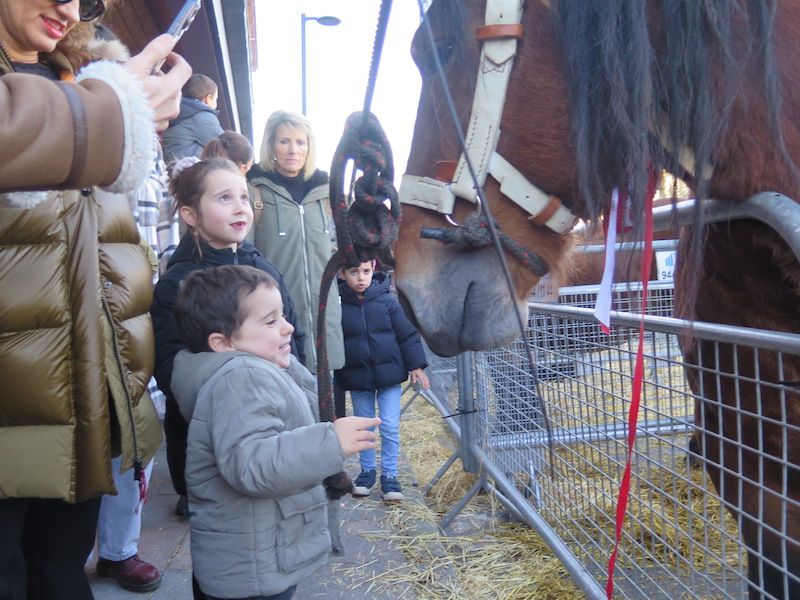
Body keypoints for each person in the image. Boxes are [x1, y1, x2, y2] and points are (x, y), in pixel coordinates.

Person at [0, 3, 175, 598]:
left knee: (61, 569)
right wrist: (113, 112)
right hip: (11, 390)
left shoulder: (82, 74)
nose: (69, 9)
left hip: (83, 389)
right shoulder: (103, 93)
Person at [170, 264, 380, 600]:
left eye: (282, 315)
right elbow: (251, 464)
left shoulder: (259, 367)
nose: (288, 327)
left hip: (256, 557)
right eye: (270, 321)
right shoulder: (240, 378)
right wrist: (330, 443)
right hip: (251, 572)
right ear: (223, 342)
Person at [151, 157, 306, 526]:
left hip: (278, 424)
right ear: (190, 215)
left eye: (243, 197)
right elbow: (173, 369)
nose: (240, 207)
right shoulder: (179, 284)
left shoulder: (264, 269)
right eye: (224, 198)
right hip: (214, 443)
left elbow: (294, 336)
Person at [0, 32, 190, 191]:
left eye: (87, 5)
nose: (73, 13)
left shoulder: (72, 70)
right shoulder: (85, 80)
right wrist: (118, 108)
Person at [247, 110, 344, 372]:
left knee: (327, 391)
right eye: (284, 141)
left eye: (300, 142)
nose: (293, 150)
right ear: (271, 145)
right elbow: (245, 257)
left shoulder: (327, 192)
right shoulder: (254, 190)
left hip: (325, 318)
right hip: (276, 316)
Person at [335, 260, 430, 502]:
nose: (361, 278)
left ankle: (390, 476)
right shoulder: (337, 305)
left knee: (389, 425)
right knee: (364, 427)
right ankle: (367, 472)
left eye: (366, 271)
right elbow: (332, 339)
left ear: (373, 269)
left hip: (389, 377)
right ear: (342, 274)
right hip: (358, 378)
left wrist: (416, 365)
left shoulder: (388, 302)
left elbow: (407, 335)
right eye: (354, 272)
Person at [161, 73, 224, 162]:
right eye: (216, 99)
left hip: (170, 166)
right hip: (186, 169)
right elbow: (226, 147)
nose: (216, 103)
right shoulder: (202, 116)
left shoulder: (177, 109)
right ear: (208, 99)